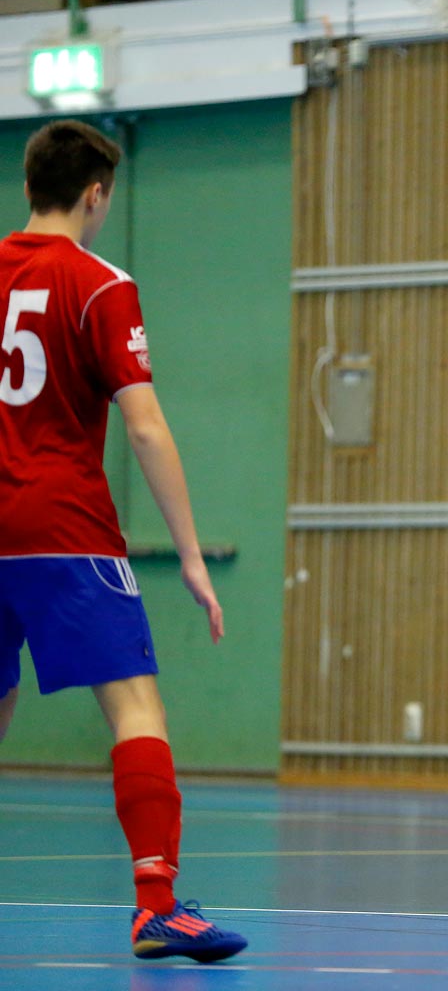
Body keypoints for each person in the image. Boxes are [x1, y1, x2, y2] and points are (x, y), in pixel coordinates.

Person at [0, 120, 247, 962]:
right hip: (64, 529)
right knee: (137, 710)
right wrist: (185, 553)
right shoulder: (101, 284)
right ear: (96, 193)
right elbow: (142, 428)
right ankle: (155, 906)